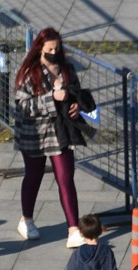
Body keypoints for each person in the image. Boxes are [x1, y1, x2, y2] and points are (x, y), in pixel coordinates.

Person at [13, 27, 96, 248]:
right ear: (39, 48)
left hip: (60, 131)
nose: (54, 52)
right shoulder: (29, 73)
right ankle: (26, 219)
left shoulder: (66, 69)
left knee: (65, 177)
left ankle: (73, 229)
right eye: (50, 48)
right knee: (34, 175)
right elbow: (22, 105)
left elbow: (76, 91)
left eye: (57, 48)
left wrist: (76, 105)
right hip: (35, 134)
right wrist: (52, 98)